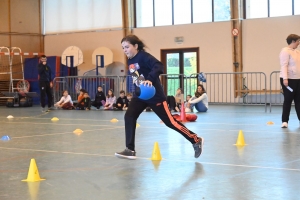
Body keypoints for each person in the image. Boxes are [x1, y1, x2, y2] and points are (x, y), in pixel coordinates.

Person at [115, 35, 203, 160]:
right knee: (129, 116)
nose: (125, 50)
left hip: (154, 96)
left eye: (127, 47)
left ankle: (196, 140)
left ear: (135, 46)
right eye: (123, 48)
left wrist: (150, 79)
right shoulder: (130, 61)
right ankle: (130, 149)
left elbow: (159, 65)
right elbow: (137, 77)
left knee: (170, 122)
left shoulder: (143, 56)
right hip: (140, 96)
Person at [279, 34, 300, 128]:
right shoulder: (285, 51)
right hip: (288, 80)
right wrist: (285, 78)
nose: (299, 43)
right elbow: (284, 65)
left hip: (297, 79)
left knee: (298, 100)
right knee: (288, 100)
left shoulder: (297, 52)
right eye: (298, 41)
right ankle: (284, 121)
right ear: (293, 41)